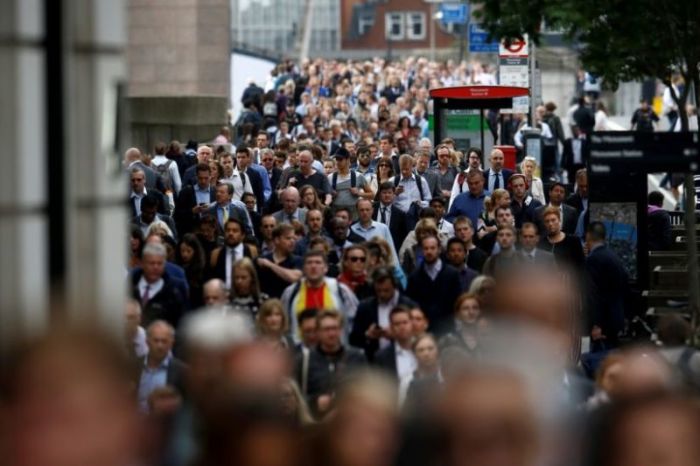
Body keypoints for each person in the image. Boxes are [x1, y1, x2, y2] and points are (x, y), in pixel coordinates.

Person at [303, 309, 366, 416]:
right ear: (318, 332)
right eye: (326, 329)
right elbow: (297, 396)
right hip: (317, 424)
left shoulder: (357, 358)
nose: (332, 333)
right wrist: (314, 402)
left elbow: (368, 391)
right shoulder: (305, 360)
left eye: (335, 328)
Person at [283, 250, 359, 336]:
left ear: (326, 268)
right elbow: (284, 322)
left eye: (318, 262)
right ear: (303, 268)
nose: (313, 266)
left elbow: (354, 320)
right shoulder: (291, 292)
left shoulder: (341, 290)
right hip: (299, 346)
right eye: (309, 263)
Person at [350, 267, 417, 361]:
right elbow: (354, 340)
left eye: (386, 290)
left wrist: (397, 335)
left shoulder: (409, 306)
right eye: (379, 291)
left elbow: (419, 336)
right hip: (375, 364)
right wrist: (367, 335)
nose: (382, 295)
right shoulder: (365, 307)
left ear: (394, 286)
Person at [585, 221, 629, 350]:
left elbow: (594, 295)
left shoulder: (593, 259)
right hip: (615, 318)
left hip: (603, 324)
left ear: (588, 235)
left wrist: (596, 324)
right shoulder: (613, 256)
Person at [406, 235, 463, 334]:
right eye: (426, 248)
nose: (429, 252)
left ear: (439, 249)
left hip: (448, 329)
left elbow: (458, 301)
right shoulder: (414, 277)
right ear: (421, 250)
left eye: (432, 248)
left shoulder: (452, 274)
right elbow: (411, 303)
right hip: (424, 330)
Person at [130, 243, 187, 329]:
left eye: (159, 263)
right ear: (142, 264)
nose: (155, 267)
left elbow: (182, 324)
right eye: (151, 263)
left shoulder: (175, 290)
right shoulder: (129, 285)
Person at [137, 320, 188, 412]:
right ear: (147, 341)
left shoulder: (182, 372)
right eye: (156, 340)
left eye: (164, 341)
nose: (159, 345)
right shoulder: (133, 366)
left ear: (171, 343)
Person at [374, 306, 417, 402]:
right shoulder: (382, 357)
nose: (402, 327)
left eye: (405, 322)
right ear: (391, 327)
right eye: (397, 324)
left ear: (412, 324)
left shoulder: (425, 349)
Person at [256, 223, 303, 298]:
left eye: (294, 238)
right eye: (288, 238)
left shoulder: (298, 260)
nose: (292, 241)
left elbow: (294, 278)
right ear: (277, 240)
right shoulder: (262, 260)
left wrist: (270, 265)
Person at [208, 217, 254, 288]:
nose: (230, 233)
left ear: (242, 235)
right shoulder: (216, 254)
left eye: (235, 231)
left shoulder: (251, 251)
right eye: (228, 230)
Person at [329, 147, 373, 219]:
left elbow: (371, 195)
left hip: (354, 217)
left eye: (340, 159)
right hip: (335, 217)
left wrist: (359, 193)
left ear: (347, 160)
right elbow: (325, 197)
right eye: (336, 159)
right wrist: (331, 195)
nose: (337, 162)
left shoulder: (358, 176)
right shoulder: (330, 177)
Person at [438, 292, 484, 358]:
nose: (471, 312)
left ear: (480, 312)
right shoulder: (449, 341)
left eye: (475, 308)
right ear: (458, 314)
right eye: (465, 308)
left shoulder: (488, 340)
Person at [404, 333, 442, 408]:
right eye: (421, 350)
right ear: (414, 354)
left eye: (430, 348)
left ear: (437, 350)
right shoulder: (407, 381)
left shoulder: (447, 376)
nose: (426, 353)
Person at [373, 181, 409, 253]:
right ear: (380, 194)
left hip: (391, 250)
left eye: (389, 193)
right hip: (372, 247)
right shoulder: (371, 208)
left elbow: (403, 236)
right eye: (384, 193)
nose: (387, 195)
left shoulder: (400, 214)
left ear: (393, 194)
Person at [176, 233, 207, 310]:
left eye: (188, 251)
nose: (185, 254)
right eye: (182, 251)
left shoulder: (202, 270)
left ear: (195, 251)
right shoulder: (177, 268)